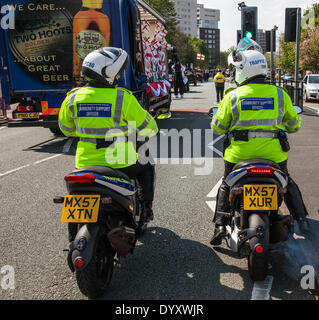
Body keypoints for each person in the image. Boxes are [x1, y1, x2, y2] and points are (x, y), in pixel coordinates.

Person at [210, 39, 310, 246]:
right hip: (274, 157)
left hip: (238, 157)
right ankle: (301, 219)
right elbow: (294, 125)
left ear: (243, 70)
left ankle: (220, 224)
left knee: (226, 184)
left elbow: (218, 127)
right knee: (287, 182)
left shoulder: (232, 97)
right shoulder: (280, 95)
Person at [58, 47, 158, 221]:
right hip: (121, 161)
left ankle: (73, 238)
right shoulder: (122, 98)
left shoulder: (73, 98)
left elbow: (66, 129)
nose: (118, 77)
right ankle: (146, 207)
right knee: (147, 163)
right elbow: (149, 128)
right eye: (117, 73)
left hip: (85, 162)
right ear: (107, 73)